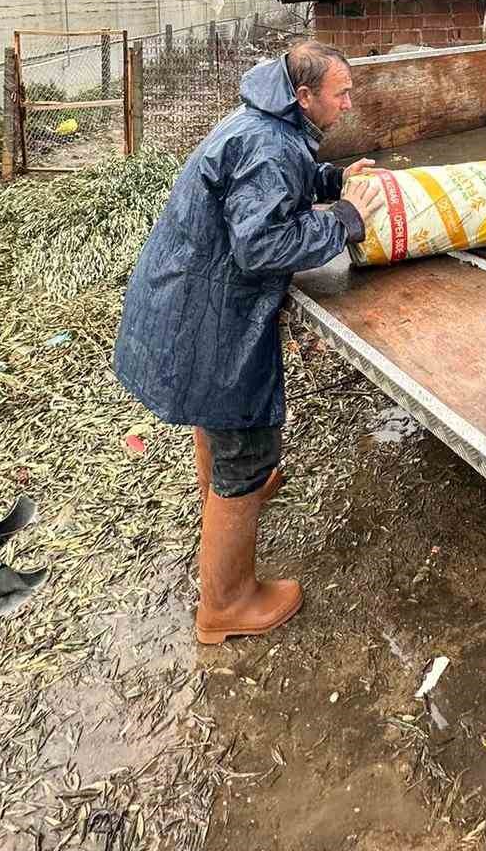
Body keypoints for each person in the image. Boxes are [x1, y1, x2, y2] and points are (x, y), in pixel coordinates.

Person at [113, 40, 381, 644]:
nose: (347, 103)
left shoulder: (266, 120)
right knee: (246, 441)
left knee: (217, 417)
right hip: (214, 314)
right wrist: (345, 218)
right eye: (340, 94)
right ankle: (226, 603)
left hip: (187, 298)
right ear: (305, 96)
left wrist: (334, 178)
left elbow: (284, 182)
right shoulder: (267, 143)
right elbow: (261, 245)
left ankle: (222, 498)